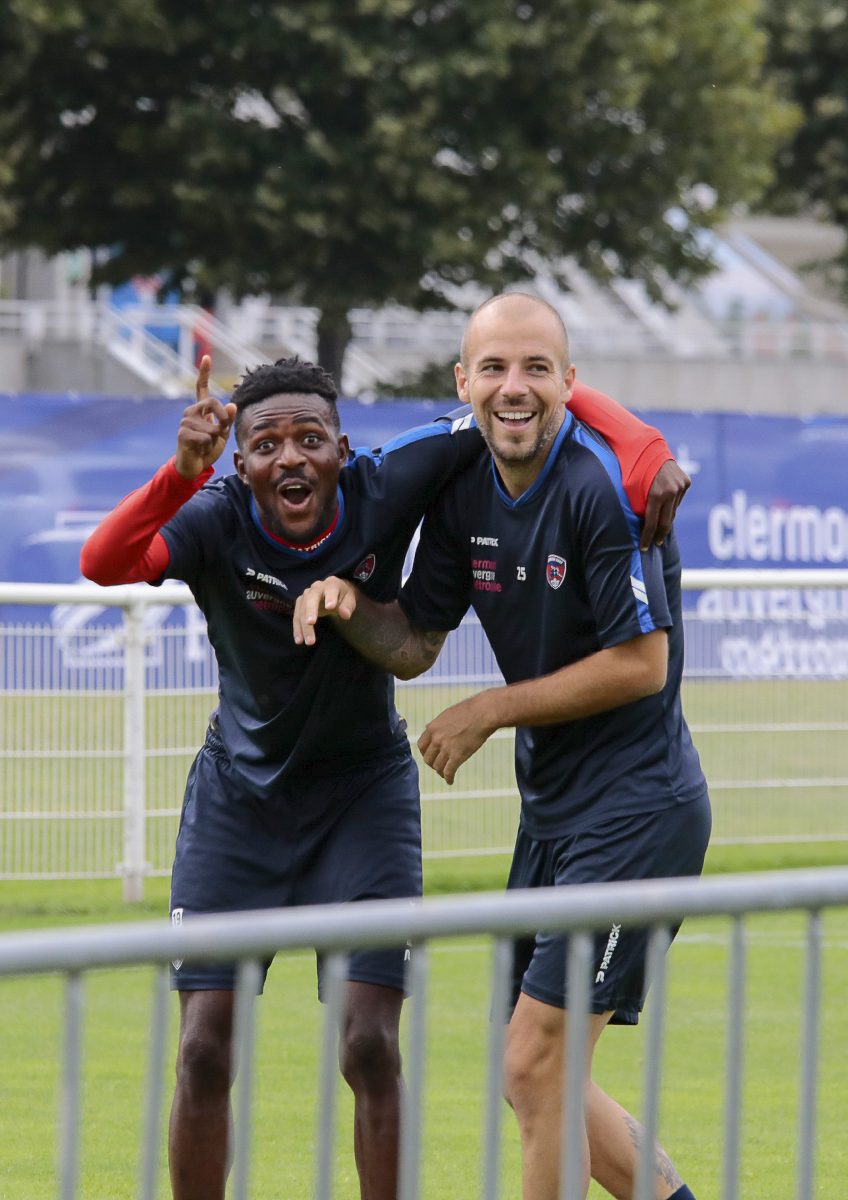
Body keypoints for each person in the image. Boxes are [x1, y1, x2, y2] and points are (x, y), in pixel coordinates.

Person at [80, 352, 688, 1200]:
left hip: (365, 798)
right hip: (238, 804)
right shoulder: (214, 517)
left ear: (342, 448)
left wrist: (642, 443)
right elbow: (102, 564)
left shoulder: (390, 479)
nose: (290, 458)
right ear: (241, 462)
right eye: (265, 444)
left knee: (370, 1043)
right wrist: (179, 474)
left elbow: (507, 395)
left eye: (309, 438)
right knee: (202, 1048)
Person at [293, 293, 710, 1200]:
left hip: (637, 813)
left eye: (534, 369)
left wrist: (490, 709)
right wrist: (348, 607)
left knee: (536, 1066)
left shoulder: (604, 482)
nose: (513, 389)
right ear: (462, 383)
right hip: (553, 816)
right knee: (535, 1075)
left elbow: (643, 664)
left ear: (570, 382)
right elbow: (414, 644)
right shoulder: (462, 491)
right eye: (494, 368)